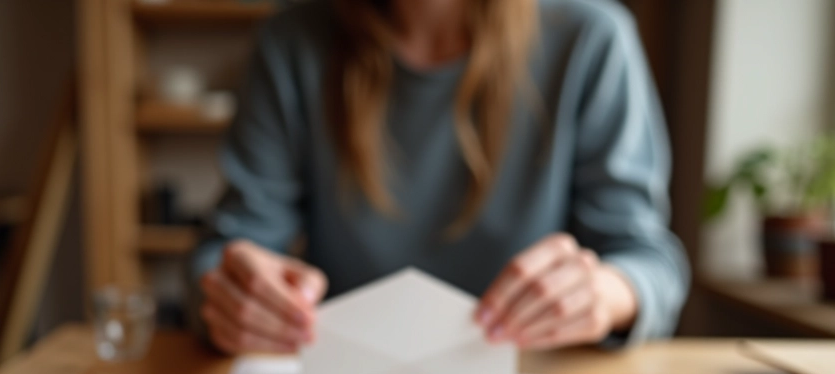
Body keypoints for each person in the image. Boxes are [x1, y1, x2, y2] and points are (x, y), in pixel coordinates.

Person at [190, 0, 689, 355]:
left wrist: (601, 293)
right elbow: (229, 250)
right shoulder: (291, 43)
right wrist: (232, 292)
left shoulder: (590, 38)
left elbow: (649, 261)